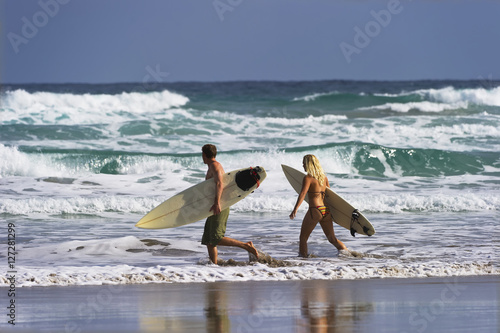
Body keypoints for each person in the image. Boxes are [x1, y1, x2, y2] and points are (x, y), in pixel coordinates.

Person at [201, 144, 259, 264]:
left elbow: (219, 184)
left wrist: (217, 203)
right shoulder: (211, 166)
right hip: (214, 206)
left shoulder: (215, 166)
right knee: (209, 240)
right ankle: (214, 265)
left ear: (204, 154)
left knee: (216, 238)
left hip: (220, 205)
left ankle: (246, 245)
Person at [289, 154, 347, 257]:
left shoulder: (308, 178)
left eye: (304, 163)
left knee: (303, 238)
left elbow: (302, 194)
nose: (303, 165)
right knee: (332, 239)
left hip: (315, 210)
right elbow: (330, 195)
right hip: (325, 210)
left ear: (309, 164)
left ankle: (302, 260)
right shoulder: (324, 178)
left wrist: (295, 209)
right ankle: (348, 253)